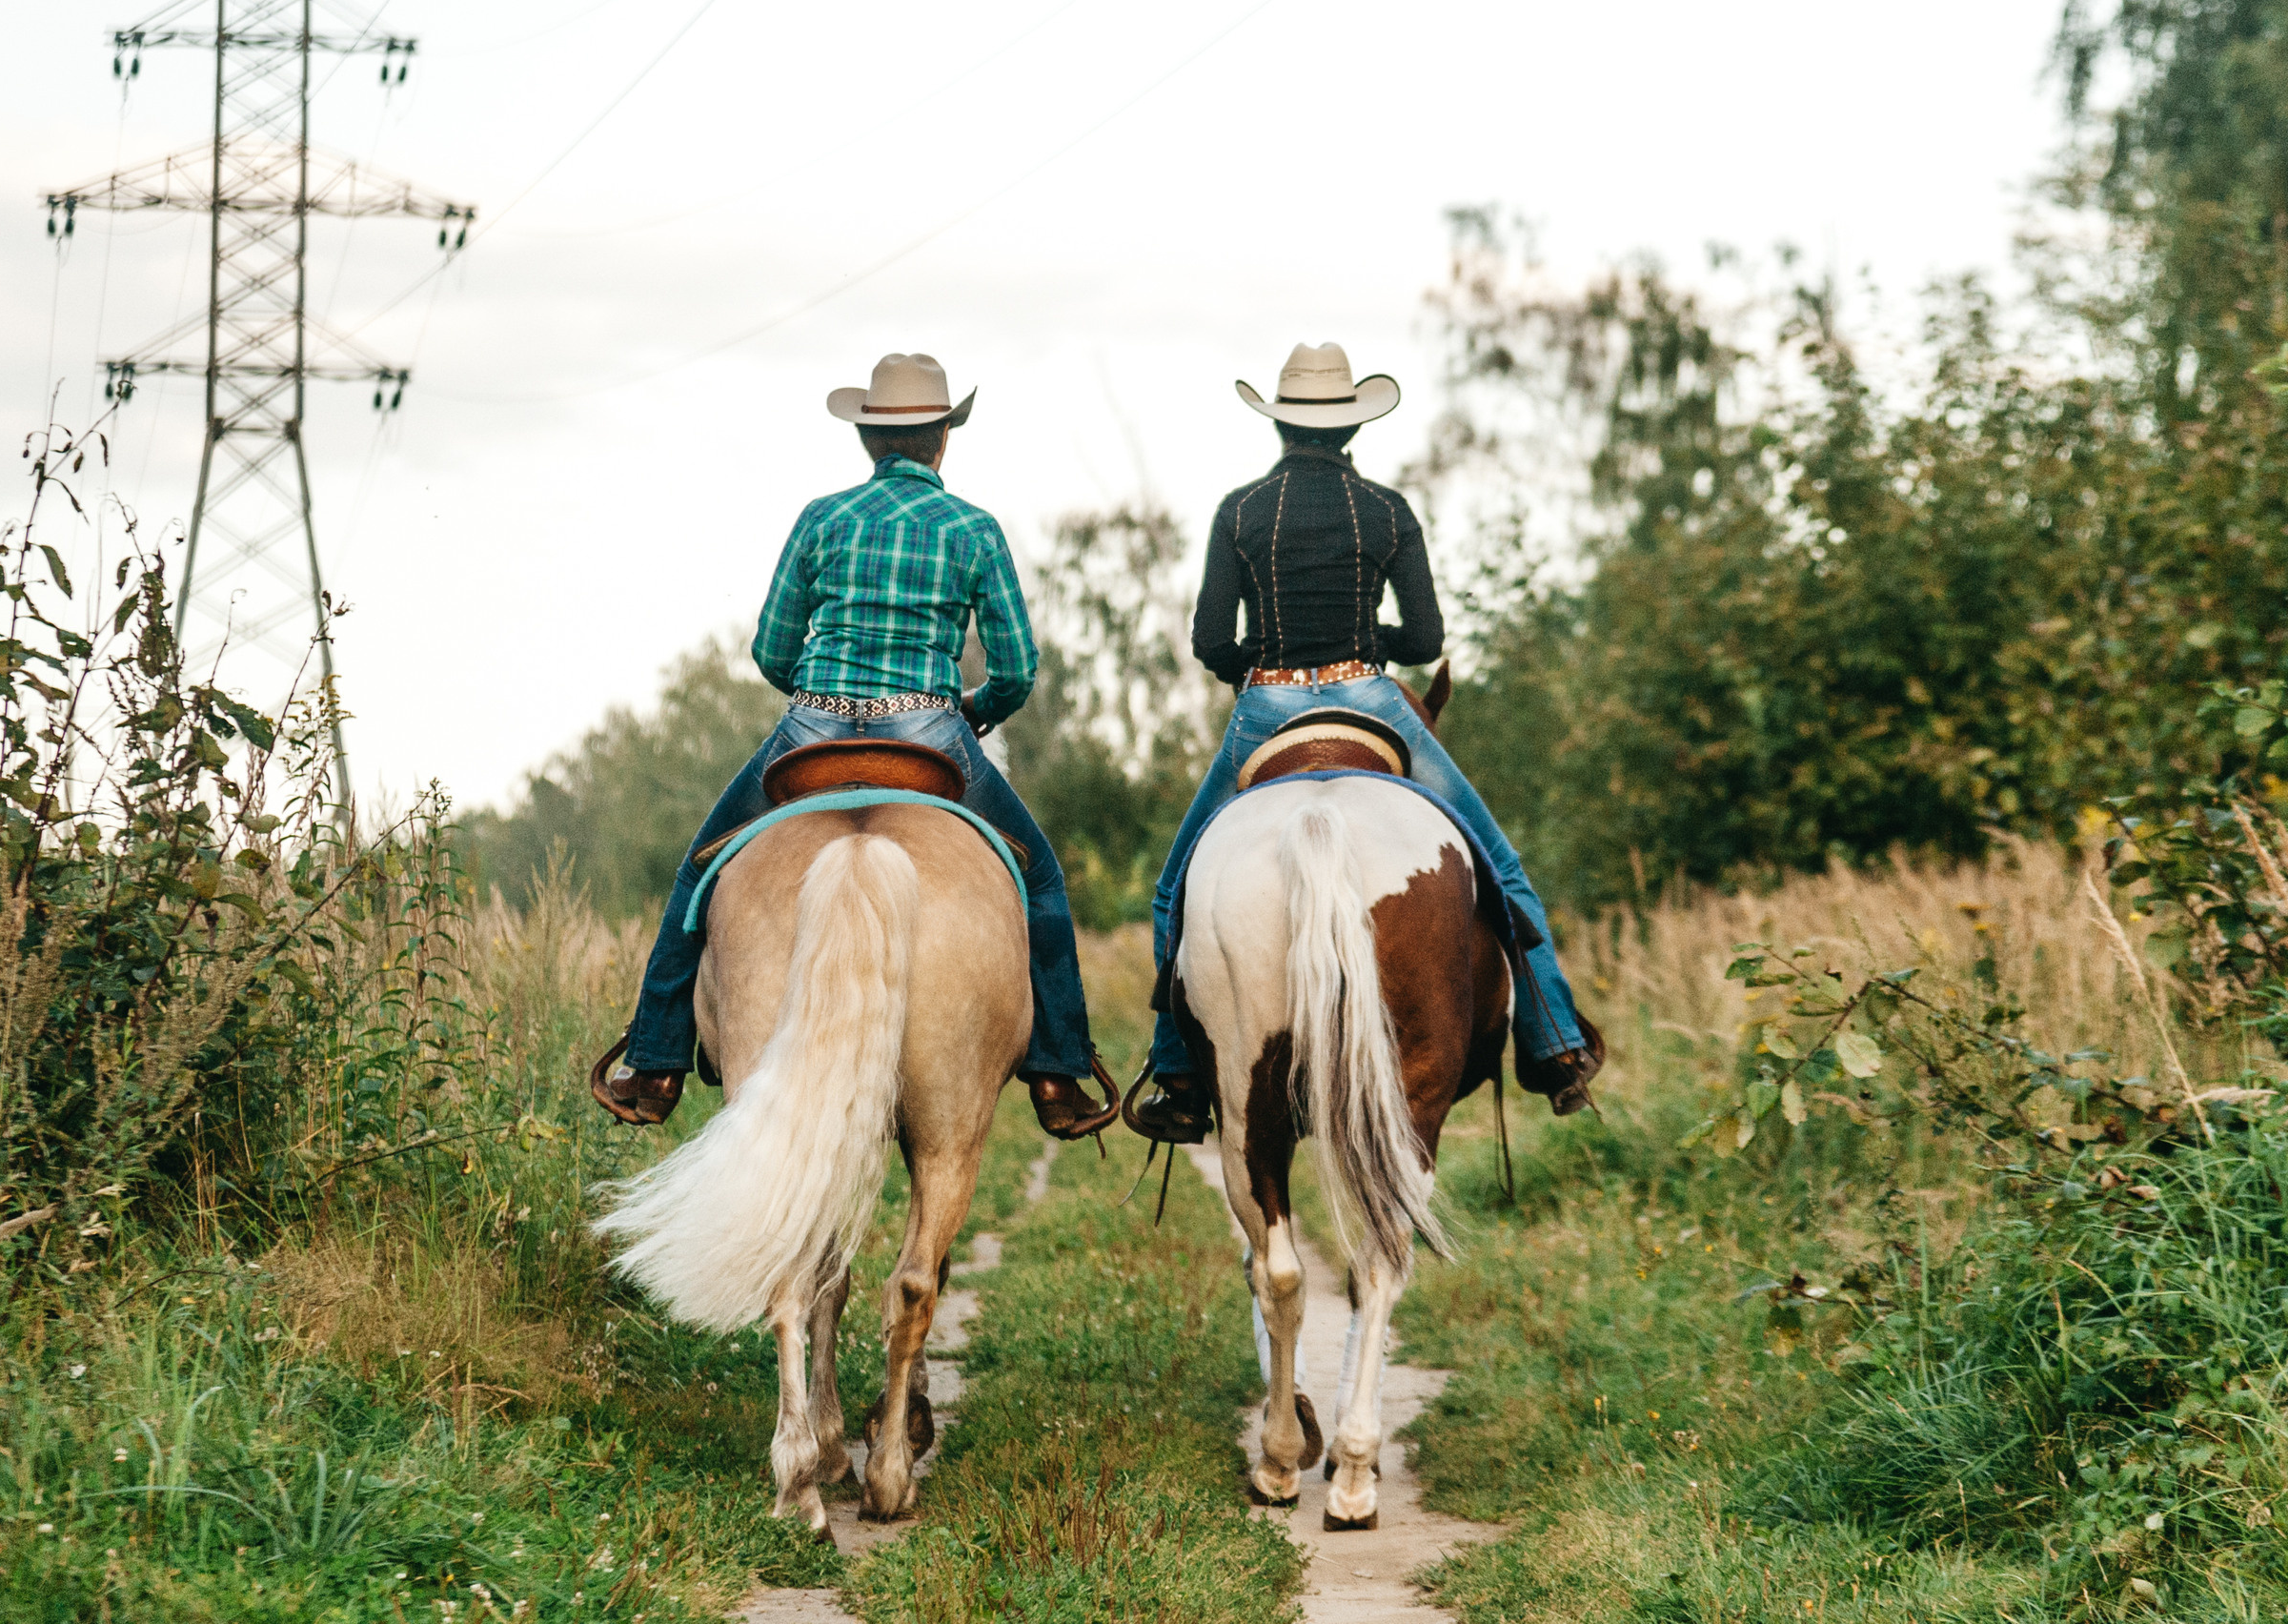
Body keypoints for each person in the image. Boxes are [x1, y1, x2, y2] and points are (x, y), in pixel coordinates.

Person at [596, 352, 1111, 1138]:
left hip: (812, 728)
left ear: (868, 439)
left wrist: (822, 694)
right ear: (944, 438)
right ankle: (1057, 1070)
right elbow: (1017, 670)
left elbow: (771, 649)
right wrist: (976, 711)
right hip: (930, 730)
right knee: (1039, 878)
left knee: (699, 870)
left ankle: (656, 1062)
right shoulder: (973, 529)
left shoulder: (821, 519)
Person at [1123, 342, 1604, 1145]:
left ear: (1279, 425)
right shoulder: (1387, 510)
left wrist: (1258, 665)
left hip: (1268, 704)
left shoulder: (1239, 511)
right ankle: (1554, 1045)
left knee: (1174, 890)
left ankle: (1177, 1073)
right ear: (1352, 429)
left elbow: (1210, 641)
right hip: (1371, 696)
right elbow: (1425, 638)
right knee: (1500, 866)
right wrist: (1367, 644)